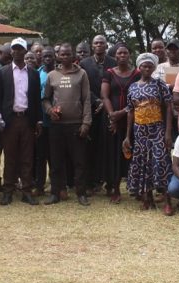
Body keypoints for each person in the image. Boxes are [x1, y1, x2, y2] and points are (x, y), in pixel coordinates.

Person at [122, 53, 174, 214]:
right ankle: (147, 198)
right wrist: (127, 135)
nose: (147, 68)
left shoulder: (160, 84)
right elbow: (130, 112)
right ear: (139, 67)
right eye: (144, 66)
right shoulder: (133, 87)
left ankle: (168, 200)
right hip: (139, 130)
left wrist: (167, 132)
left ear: (154, 68)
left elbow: (169, 108)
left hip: (157, 129)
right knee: (143, 163)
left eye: (150, 66)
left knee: (161, 162)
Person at [0, 38, 42, 206]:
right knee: (10, 157)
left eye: (20, 49)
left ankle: (26, 192)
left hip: (27, 120)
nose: (16, 51)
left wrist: (38, 121)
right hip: (10, 120)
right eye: (14, 49)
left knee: (27, 157)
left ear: (25, 51)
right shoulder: (3, 72)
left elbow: (36, 100)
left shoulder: (33, 73)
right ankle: (8, 191)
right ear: (11, 52)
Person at [43, 43, 92, 206]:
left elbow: (86, 99)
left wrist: (86, 122)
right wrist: (50, 111)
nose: (65, 57)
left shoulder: (82, 74)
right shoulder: (52, 75)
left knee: (79, 161)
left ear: (73, 56)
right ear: (58, 56)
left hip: (76, 124)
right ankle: (55, 193)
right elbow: (45, 99)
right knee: (56, 161)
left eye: (68, 54)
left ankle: (81, 193)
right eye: (62, 54)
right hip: (57, 126)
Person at [99, 43, 139, 203]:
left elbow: (137, 98)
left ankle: (134, 186)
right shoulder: (109, 73)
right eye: (119, 53)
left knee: (131, 153)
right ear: (115, 57)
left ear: (129, 55)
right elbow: (104, 95)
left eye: (125, 53)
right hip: (112, 119)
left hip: (132, 117)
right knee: (113, 153)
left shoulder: (136, 74)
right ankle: (114, 188)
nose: (122, 56)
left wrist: (121, 113)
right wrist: (112, 116)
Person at [79, 35, 117, 195]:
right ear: (92, 46)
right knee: (90, 146)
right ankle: (91, 183)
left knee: (108, 147)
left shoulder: (113, 63)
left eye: (102, 43)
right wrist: (97, 101)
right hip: (91, 110)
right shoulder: (84, 64)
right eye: (96, 43)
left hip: (109, 111)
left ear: (106, 45)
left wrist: (105, 103)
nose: (99, 45)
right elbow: (83, 86)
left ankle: (110, 183)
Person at [33, 47, 56, 197]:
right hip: (42, 121)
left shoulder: (60, 73)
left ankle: (56, 186)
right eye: (45, 56)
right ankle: (39, 186)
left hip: (57, 122)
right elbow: (34, 98)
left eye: (50, 56)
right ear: (40, 58)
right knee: (40, 156)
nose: (47, 58)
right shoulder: (36, 74)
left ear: (55, 57)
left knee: (55, 156)